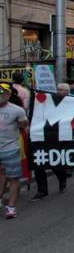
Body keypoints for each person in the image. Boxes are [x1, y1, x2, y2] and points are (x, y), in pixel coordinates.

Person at [31, 84, 70, 202]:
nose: (59, 91)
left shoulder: (71, 102)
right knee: (38, 163)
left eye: (62, 90)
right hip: (42, 134)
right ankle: (42, 190)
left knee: (54, 161)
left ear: (67, 92)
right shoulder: (49, 100)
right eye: (58, 89)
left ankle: (62, 178)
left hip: (58, 136)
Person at [0, 83, 29, 218]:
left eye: (3, 93)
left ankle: (11, 207)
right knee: (1, 175)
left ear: (8, 94)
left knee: (13, 178)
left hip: (10, 149)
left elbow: (24, 125)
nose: (1, 95)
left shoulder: (17, 110)